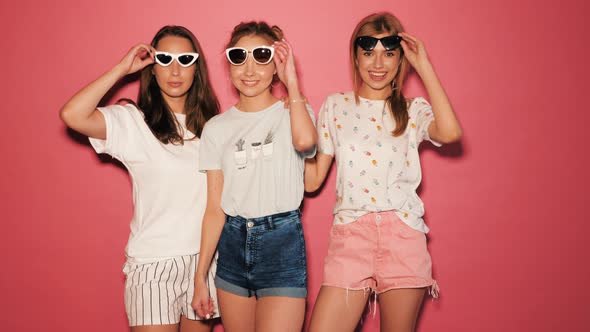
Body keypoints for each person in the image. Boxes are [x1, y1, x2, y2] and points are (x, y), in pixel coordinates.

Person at [305, 12, 463, 332]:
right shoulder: (336, 106)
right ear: (356, 56)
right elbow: (311, 180)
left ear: (400, 58)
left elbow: (450, 133)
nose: (378, 63)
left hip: (402, 234)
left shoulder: (412, 109)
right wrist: (292, 113)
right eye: (368, 53)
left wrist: (424, 66)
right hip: (351, 234)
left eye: (389, 53)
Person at [60, 25, 220, 332]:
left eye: (185, 60)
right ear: (152, 68)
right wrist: (122, 69)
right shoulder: (133, 122)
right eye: (164, 59)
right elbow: (73, 114)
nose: (175, 70)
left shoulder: (213, 127)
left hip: (205, 263)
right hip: (153, 264)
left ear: (197, 68)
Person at [191, 21, 317, 332]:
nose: (249, 68)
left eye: (262, 56)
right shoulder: (216, 128)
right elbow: (213, 209)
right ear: (229, 65)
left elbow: (305, 143)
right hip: (232, 245)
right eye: (239, 56)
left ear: (277, 64)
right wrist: (199, 277)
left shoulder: (294, 111)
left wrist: (293, 85)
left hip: (282, 242)